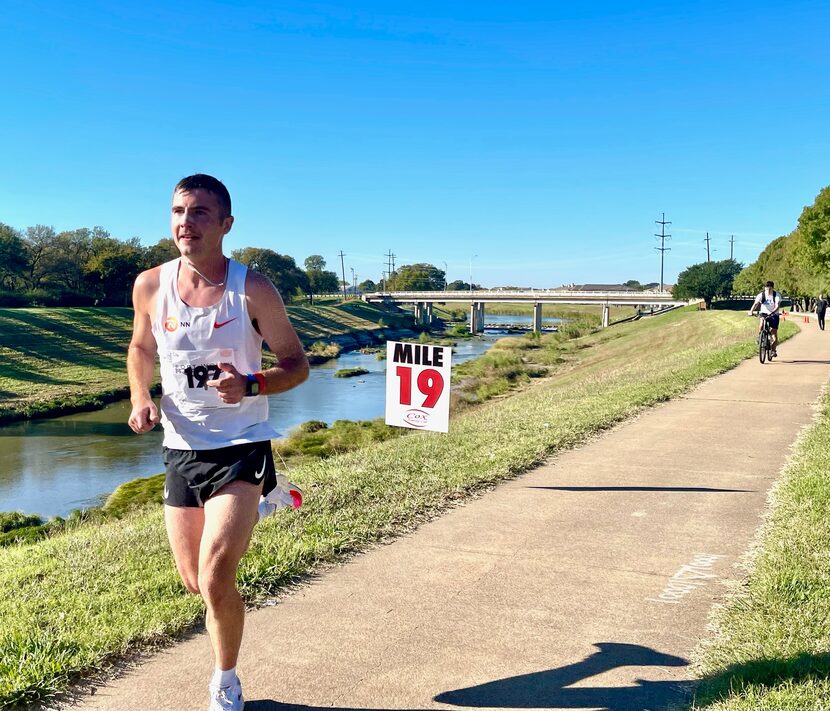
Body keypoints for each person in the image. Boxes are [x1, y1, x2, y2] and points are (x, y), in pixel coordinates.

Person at [127, 174, 309, 711]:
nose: (187, 221)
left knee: (215, 576)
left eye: (202, 212)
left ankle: (225, 681)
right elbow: (139, 347)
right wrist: (141, 395)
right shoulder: (150, 285)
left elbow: (297, 366)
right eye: (179, 211)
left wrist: (251, 383)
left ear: (226, 224)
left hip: (242, 444)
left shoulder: (252, 288)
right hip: (182, 448)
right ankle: (268, 500)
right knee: (195, 583)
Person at [748, 280, 782, 358]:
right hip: (764, 313)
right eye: (767, 289)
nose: (768, 290)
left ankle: (773, 350)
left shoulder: (776, 295)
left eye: (770, 289)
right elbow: (755, 304)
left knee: (774, 333)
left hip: (774, 314)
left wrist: (773, 312)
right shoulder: (761, 295)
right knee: (761, 323)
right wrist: (751, 311)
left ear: (773, 288)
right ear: (765, 288)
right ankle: (760, 336)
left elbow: (777, 305)